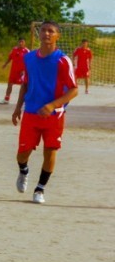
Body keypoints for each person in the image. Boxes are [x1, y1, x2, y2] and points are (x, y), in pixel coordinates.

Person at [11, 21, 78, 204]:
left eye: (51, 31)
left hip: (54, 115)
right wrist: (18, 107)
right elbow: (25, 84)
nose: (46, 33)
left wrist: (52, 105)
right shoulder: (29, 58)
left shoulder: (63, 60)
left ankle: (40, 189)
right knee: (22, 154)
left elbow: (73, 90)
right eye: (44, 30)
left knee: (50, 152)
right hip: (31, 113)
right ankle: (23, 171)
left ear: (58, 36)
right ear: (39, 34)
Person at [1, 37, 30, 104]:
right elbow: (10, 58)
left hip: (22, 72)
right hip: (13, 71)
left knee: (24, 86)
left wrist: (25, 70)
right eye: (19, 42)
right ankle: (6, 99)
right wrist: (5, 64)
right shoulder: (14, 49)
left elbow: (29, 62)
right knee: (9, 84)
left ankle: (27, 99)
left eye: (22, 42)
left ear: (24, 43)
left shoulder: (27, 51)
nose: (20, 43)